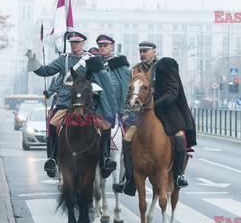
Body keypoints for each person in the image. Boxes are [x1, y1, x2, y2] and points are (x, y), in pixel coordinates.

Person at [25, 31, 118, 178]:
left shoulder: (92, 59)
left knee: (105, 126)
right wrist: (33, 60)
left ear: (83, 43)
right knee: (53, 124)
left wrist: (110, 107)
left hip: (88, 102)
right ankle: (53, 160)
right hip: (66, 100)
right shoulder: (64, 59)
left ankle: (104, 160)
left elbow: (104, 80)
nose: (74, 45)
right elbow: (46, 71)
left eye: (77, 42)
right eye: (72, 42)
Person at [114, 50, 197, 196]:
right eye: (140, 51)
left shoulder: (165, 66)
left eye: (145, 51)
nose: (142, 54)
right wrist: (127, 111)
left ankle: (178, 175)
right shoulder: (136, 69)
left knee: (179, 137)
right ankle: (129, 179)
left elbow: (173, 92)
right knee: (126, 139)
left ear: (154, 52)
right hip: (140, 113)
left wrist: (155, 104)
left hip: (166, 111)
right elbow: (130, 93)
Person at [96, 34, 131, 174]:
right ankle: (103, 159)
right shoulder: (94, 64)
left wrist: (125, 111)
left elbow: (126, 88)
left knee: (131, 138)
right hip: (100, 109)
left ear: (112, 47)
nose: (102, 48)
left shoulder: (121, 65)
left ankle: (129, 174)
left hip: (119, 110)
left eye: (105, 45)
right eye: (100, 46)